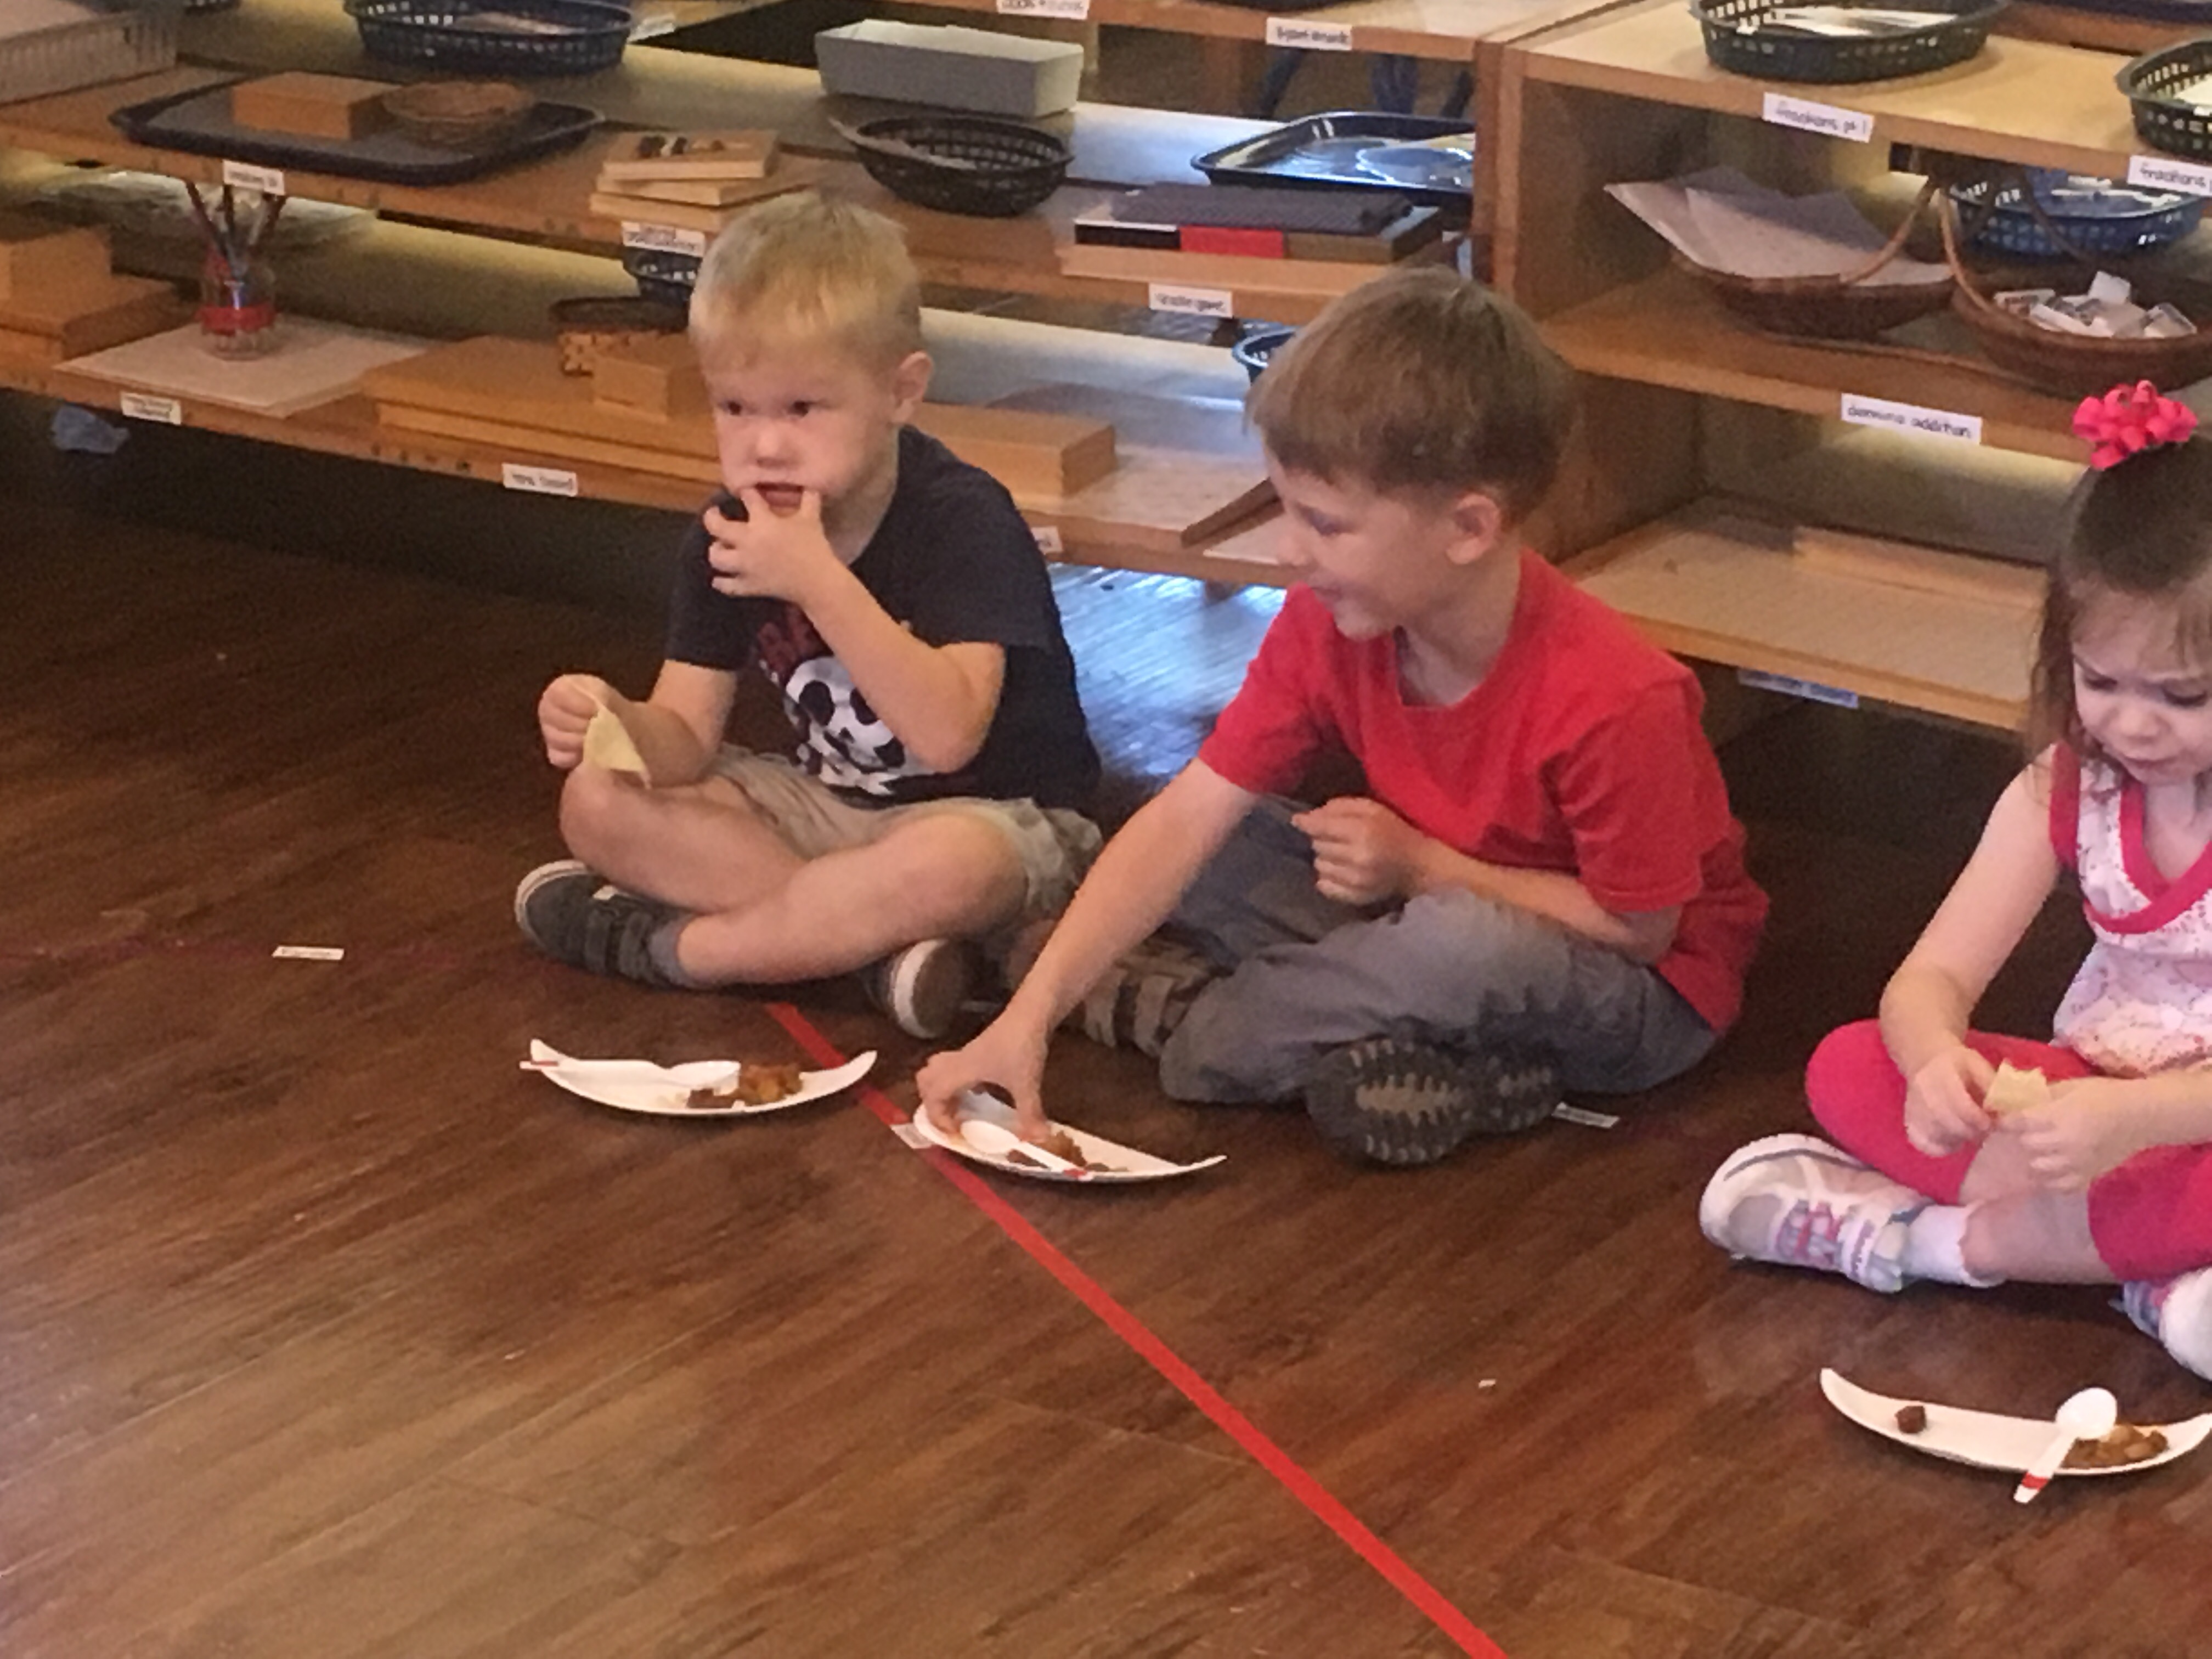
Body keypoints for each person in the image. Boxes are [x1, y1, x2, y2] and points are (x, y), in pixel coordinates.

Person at [918, 267, 1767, 1165]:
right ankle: (1438, 1059)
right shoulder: (1331, 623)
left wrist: (1423, 865)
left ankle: (1190, 1020)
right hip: (1425, 906)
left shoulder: (1617, 698)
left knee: (1452, 951)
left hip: (1637, 991)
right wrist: (1028, 1020)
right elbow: (1191, 815)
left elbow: (1640, 930)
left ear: (1469, 528)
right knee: (1217, 844)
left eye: (1325, 525)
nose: (1290, 550)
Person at [1702, 381, 2212, 1381]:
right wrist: (1936, 1062)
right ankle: (2146, 1273)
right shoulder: (2061, 789)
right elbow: (1930, 979)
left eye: (2182, 696)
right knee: (1850, 1064)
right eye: (2100, 682)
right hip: (2089, 1109)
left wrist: (2141, 1120)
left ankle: (1925, 1244)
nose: (2131, 723)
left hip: (2173, 1125)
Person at [514, 193, 1101, 1039]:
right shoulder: (728, 532)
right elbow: (686, 740)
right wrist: (616, 720)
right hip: (825, 808)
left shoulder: (962, 518)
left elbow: (949, 736)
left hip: (997, 819)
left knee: (950, 865)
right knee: (596, 802)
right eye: (735, 408)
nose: (765, 444)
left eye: (801, 410)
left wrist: (820, 582)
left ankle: (680, 950)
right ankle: (871, 955)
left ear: (901, 392)